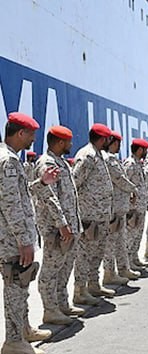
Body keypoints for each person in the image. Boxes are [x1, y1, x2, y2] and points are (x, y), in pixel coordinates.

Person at [1, 112, 60, 354]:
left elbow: (21, 193)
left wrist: (41, 183)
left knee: (21, 285)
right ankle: (14, 341)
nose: (33, 140)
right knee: (15, 287)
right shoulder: (8, 161)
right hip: (11, 240)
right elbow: (10, 204)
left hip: (13, 237)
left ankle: (23, 330)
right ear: (20, 133)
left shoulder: (10, 158)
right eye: (31, 135)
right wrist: (24, 241)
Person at [32, 125, 84, 325]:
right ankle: (50, 309)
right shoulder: (47, 163)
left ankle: (62, 304)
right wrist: (61, 224)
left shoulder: (60, 162)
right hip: (56, 229)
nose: (71, 144)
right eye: (68, 141)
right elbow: (49, 197)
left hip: (69, 227)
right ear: (61, 142)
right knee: (51, 271)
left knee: (65, 267)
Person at [72, 123, 115, 303]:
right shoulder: (87, 156)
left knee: (97, 253)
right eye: (108, 139)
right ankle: (80, 291)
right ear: (102, 139)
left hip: (101, 216)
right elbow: (74, 184)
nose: (109, 142)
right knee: (84, 255)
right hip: (89, 217)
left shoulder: (98, 155)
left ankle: (93, 285)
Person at [102, 131, 140, 285]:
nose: (119, 146)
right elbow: (120, 179)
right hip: (113, 208)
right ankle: (109, 273)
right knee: (111, 244)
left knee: (120, 241)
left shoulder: (113, 159)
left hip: (120, 207)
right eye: (118, 143)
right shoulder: (108, 159)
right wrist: (133, 189)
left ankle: (123, 268)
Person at [123, 138, 148, 270]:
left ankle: (134, 258)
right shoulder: (130, 164)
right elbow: (125, 183)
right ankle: (127, 263)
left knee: (138, 234)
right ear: (139, 150)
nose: (146, 152)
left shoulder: (138, 164)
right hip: (133, 207)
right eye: (145, 150)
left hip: (141, 206)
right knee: (130, 235)